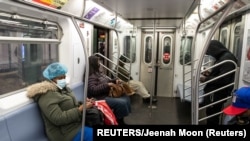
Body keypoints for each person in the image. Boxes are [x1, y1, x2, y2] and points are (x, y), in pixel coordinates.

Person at [26, 62, 93, 141]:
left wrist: (83, 103)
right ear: (51, 79)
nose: (63, 80)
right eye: (60, 78)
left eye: (64, 77)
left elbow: (70, 105)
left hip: (75, 126)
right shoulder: (46, 95)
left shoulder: (64, 89)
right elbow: (58, 119)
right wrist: (80, 109)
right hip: (63, 134)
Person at [200, 40, 237, 125]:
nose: (211, 55)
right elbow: (220, 73)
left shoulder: (227, 59)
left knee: (212, 117)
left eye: (210, 52)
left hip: (216, 94)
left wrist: (206, 79)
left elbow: (224, 79)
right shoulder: (222, 57)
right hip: (214, 93)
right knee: (210, 115)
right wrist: (209, 73)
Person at [87, 55, 131, 125]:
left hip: (106, 94)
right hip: (99, 98)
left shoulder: (99, 73)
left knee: (126, 97)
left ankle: (120, 119)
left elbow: (107, 81)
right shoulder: (91, 76)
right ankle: (118, 121)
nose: (100, 63)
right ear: (94, 63)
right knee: (121, 103)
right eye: (98, 62)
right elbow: (93, 90)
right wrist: (107, 85)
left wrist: (114, 81)